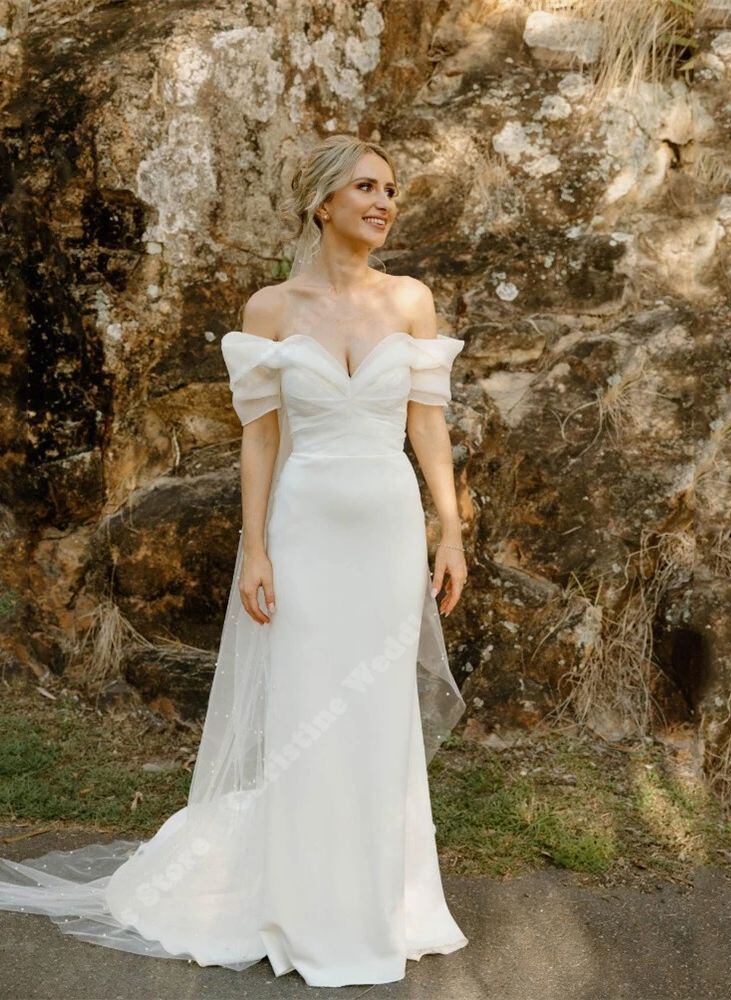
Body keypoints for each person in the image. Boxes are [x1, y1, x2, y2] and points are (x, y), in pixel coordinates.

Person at [0, 134, 469, 988]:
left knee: (375, 707)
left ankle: (383, 900)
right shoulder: (270, 309)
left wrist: (450, 529)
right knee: (306, 704)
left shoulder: (411, 301)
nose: (385, 203)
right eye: (367, 187)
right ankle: (299, 899)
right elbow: (260, 441)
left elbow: (427, 424)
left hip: (387, 530)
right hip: (304, 529)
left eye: (391, 190)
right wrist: (254, 547)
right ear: (322, 202)